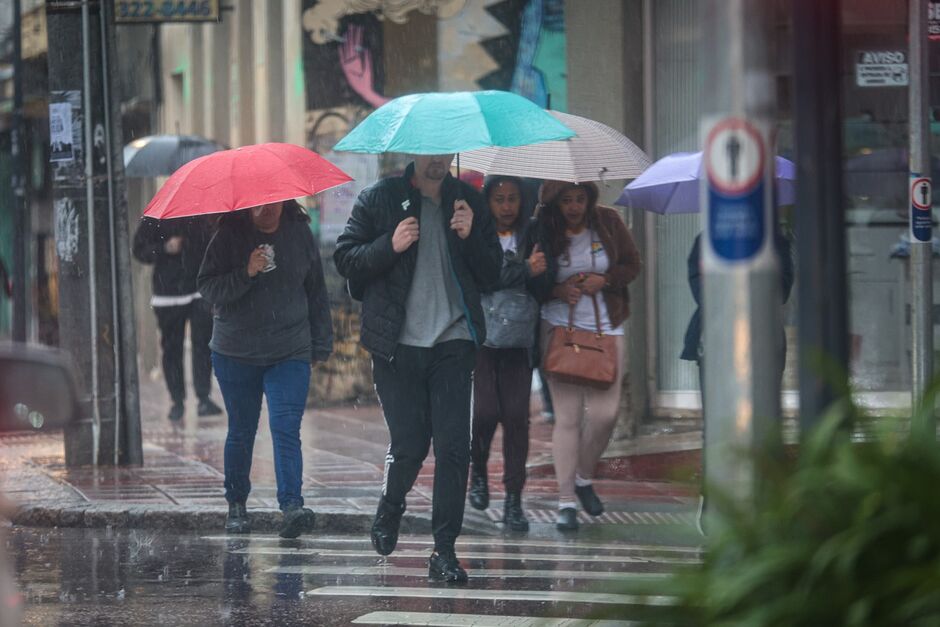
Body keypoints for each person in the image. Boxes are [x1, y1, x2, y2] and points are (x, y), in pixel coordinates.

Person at [334, 154, 501, 583]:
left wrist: (469, 237)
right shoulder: (380, 199)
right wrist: (389, 245)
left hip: (454, 340)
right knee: (410, 445)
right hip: (397, 345)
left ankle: (443, 551)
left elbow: (493, 272)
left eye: (445, 153)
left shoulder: (469, 202)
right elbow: (346, 261)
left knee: (453, 449)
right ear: (413, 153)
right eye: (430, 153)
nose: (438, 162)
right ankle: (391, 504)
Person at [197, 199, 332, 539]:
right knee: (242, 430)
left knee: (285, 426)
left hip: (289, 348)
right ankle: (237, 504)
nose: (266, 209)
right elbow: (209, 288)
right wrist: (246, 272)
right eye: (259, 204)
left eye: (273, 202)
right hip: (236, 351)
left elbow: (315, 290)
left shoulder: (299, 232)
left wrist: (320, 343)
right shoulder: (229, 235)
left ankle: (291, 506)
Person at [528, 180, 642, 532]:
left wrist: (604, 281)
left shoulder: (608, 221)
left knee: (606, 415)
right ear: (555, 203)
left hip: (607, 328)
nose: (574, 207)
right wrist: (557, 289)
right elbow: (531, 279)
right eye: (567, 200)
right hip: (560, 328)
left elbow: (631, 265)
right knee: (568, 418)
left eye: (579, 199)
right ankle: (565, 502)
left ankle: (583, 476)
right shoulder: (542, 229)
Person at [680, 229, 795, 534]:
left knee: (762, 421)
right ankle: (714, 496)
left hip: (763, 339)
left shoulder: (775, 240)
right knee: (716, 424)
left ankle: (762, 495)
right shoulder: (706, 240)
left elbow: (782, 290)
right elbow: (699, 287)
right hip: (716, 338)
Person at [467, 176, 546, 532]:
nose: (506, 206)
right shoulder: (479, 233)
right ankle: (478, 471)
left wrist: (530, 273)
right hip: (483, 338)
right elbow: (483, 275)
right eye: (499, 199)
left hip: (519, 340)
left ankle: (514, 499)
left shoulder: (533, 233)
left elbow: (543, 280)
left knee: (517, 417)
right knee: (484, 412)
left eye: (513, 198)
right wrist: (523, 270)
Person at [133, 216, 223, 422]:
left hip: (199, 290)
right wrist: (165, 248)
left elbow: (213, 246)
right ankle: (177, 401)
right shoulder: (156, 218)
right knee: (172, 349)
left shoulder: (201, 218)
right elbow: (139, 250)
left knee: (203, 345)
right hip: (168, 293)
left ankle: (203, 397)